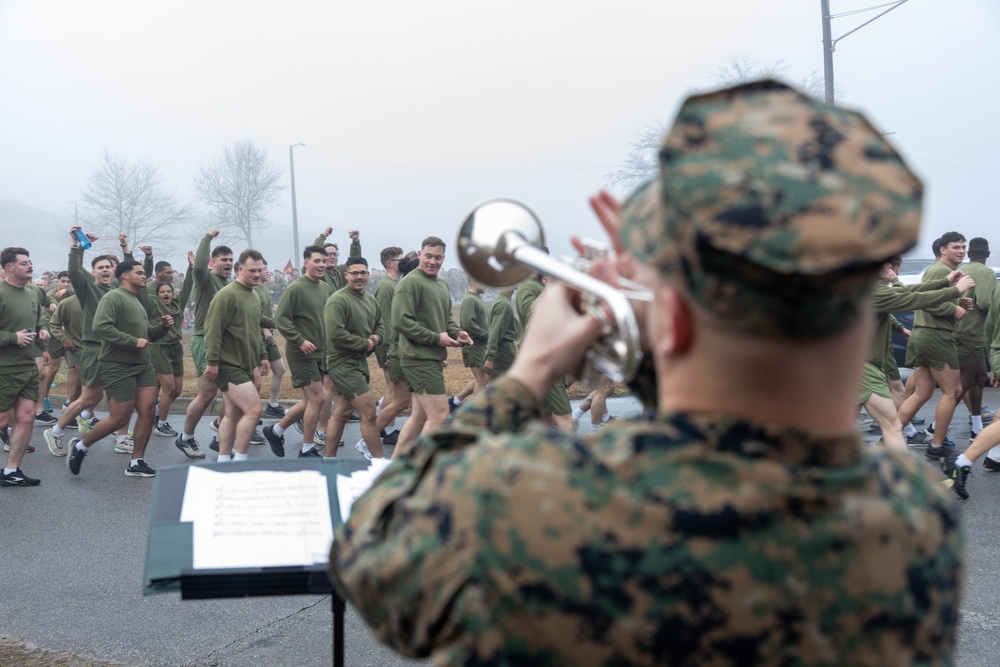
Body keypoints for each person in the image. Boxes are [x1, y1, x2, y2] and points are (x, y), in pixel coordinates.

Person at [328, 80, 962, 665]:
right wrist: (662, 318)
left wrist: (531, 370)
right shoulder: (915, 518)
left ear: (677, 323)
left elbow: (369, 547)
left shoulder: (525, 504)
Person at [67, 261, 171, 477]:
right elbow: (101, 327)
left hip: (143, 365)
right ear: (124, 275)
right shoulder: (113, 297)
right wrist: (132, 341)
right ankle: (81, 447)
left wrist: (163, 328)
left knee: (148, 410)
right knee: (120, 418)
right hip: (117, 365)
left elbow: (147, 335)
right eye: (140, 273)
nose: (145, 276)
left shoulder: (136, 301)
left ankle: (136, 462)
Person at [865, 260, 974, 449]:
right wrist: (954, 292)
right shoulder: (874, 292)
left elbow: (912, 291)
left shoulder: (872, 290)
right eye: (886, 264)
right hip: (863, 367)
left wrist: (945, 282)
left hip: (864, 367)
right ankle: (933, 447)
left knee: (893, 424)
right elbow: (917, 299)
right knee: (893, 426)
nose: (890, 267)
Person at [390, 236, 471, 454]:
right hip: (417, 359)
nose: (432, 261)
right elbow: (400, 321)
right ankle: (417, 468)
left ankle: (395, 467)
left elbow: (445, 319)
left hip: (431, 358)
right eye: (428, 256)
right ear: (419, 255)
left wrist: (457, 333)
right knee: (440, 417)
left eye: (437, 257)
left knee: (419, 417)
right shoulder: (409, 283)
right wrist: (437, 338)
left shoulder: (442, 284)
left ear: (443, 258)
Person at [897, 232, 969, 458]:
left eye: (963, 247)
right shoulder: (940, 271)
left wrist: (960, 302)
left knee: (923, 392)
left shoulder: (944, 272)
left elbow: (937, 298)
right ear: (943, 250)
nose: (961, 251)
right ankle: (936, 445)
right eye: (956, 247)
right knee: (952, 391)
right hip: (935, 336)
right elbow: (925, 301)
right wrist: (952, 309)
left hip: (926, 335)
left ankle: (889, 436)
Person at [201, 249, 270, 461]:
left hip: (246, 364)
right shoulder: (226, 295)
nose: (257, 274)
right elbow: (212, 331)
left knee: (232, 414)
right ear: (240, 269)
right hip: (227, 364)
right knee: (254, 410)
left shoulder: (254, 295)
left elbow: (254, 328)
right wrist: (212, 362)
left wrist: (262, 356)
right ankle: (241, 460)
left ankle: (223, 461)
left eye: (260, 270)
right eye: (252, 270)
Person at [263, 246, 331, 458]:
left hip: (321, 352)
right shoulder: (296, 288)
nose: (321, 265)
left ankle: (275, 430)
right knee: (318, 398)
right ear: (306, 263)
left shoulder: (325, 288)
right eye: (317, 261)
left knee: (310, 401)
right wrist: (300, 341)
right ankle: (307, 448)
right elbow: (281, 319)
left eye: (324, 261)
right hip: (301, 353)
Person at [175, 229, 232, 457]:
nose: (228, 263)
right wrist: (207, 238)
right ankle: (186, 438)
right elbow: (198, 268)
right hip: (205, 340)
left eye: (230, 260)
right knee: (207, 394)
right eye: (223, 260)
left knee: (233, 391)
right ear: (213, 261)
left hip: (227, 343)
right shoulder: (206, 279)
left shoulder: (229, 284)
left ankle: (222, 436)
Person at [322, 256, 384, 459]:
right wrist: (364, 343)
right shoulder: (338, 300)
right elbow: (336, 334)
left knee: (341, 413)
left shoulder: (370, 299)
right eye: (354, 273)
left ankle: (327, 461)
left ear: (368, 275)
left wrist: (375, 338)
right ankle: (379, 463)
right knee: (369, 413)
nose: (359, 277)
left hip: (359, 362)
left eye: (363, 272)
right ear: (346, 275)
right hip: (342, 363)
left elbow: (381, 325)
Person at [0, 247, 50, 486]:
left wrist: (42, 331)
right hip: (3, 369)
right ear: (9, 267)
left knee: (27, 417)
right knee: (1, 422)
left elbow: (36, 320)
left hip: (27, 367)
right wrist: (12, 338)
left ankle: (12, 471)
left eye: (30, 262)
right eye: (23, 263)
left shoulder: (32, 293)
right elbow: (13, 334)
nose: (30, 266)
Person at [515, 269, 574, 432]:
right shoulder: (534, 294)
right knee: (566, 419)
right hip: (545, 364)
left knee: (545, 419)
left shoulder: (546, 295)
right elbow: (532, 330)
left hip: (548, 362)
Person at [953, 237, 996, 439]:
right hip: (972, 334)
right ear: (987, 254)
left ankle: (977, 428)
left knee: (979, 378)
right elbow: (987, 304)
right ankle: (935, 429)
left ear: (969, 253)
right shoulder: (986, 273)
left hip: (959, 331)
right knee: (963, 382)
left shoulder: (962, 269)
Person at [151, 252, 195, 443]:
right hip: (159, 348)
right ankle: (161, 424)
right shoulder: (151, 304)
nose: (166, 294)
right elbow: (147, 289)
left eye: (169, 291)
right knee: (168, 389)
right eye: (162, 292)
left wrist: (191, 267)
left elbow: (187, 287)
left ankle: (156, 412)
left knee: (176, 391)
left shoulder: (177, 304)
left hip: (175, 348)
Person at [372, 246, 404, 446]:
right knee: (393, 387)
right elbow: (385, 321)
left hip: (395, 345)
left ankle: (379, 413)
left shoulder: (394, 284)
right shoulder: (386, 287)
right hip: (388, 346)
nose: (404, 263)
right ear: (390, 263)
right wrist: (390, 349)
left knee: (395, 387)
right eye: (400, 260)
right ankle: (388, 429)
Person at [449, 281, 489, 412]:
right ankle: (476, 414)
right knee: (482, 380)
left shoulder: (476, 298)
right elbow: (467, 324)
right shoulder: (470, 300)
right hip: (474, 346)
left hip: (481, 345)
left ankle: (455, 401)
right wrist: (485, 334)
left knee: (482, 379)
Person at [256, 259, 287, 420]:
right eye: (263, 268)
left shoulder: (264, 289)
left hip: (268, 338)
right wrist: (264, 328)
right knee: (254, 380)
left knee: (280, 369)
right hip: (256, 338)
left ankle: (273, 405)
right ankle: (251, 412)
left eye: (267, 268)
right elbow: (253, 314)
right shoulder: (253, 290)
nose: (266, 271)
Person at [482, 288, 517, 381]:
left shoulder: (501, 299)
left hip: (501, 352)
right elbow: (495, 332)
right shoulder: (503, 304)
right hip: (503, 354)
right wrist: (490, 358)